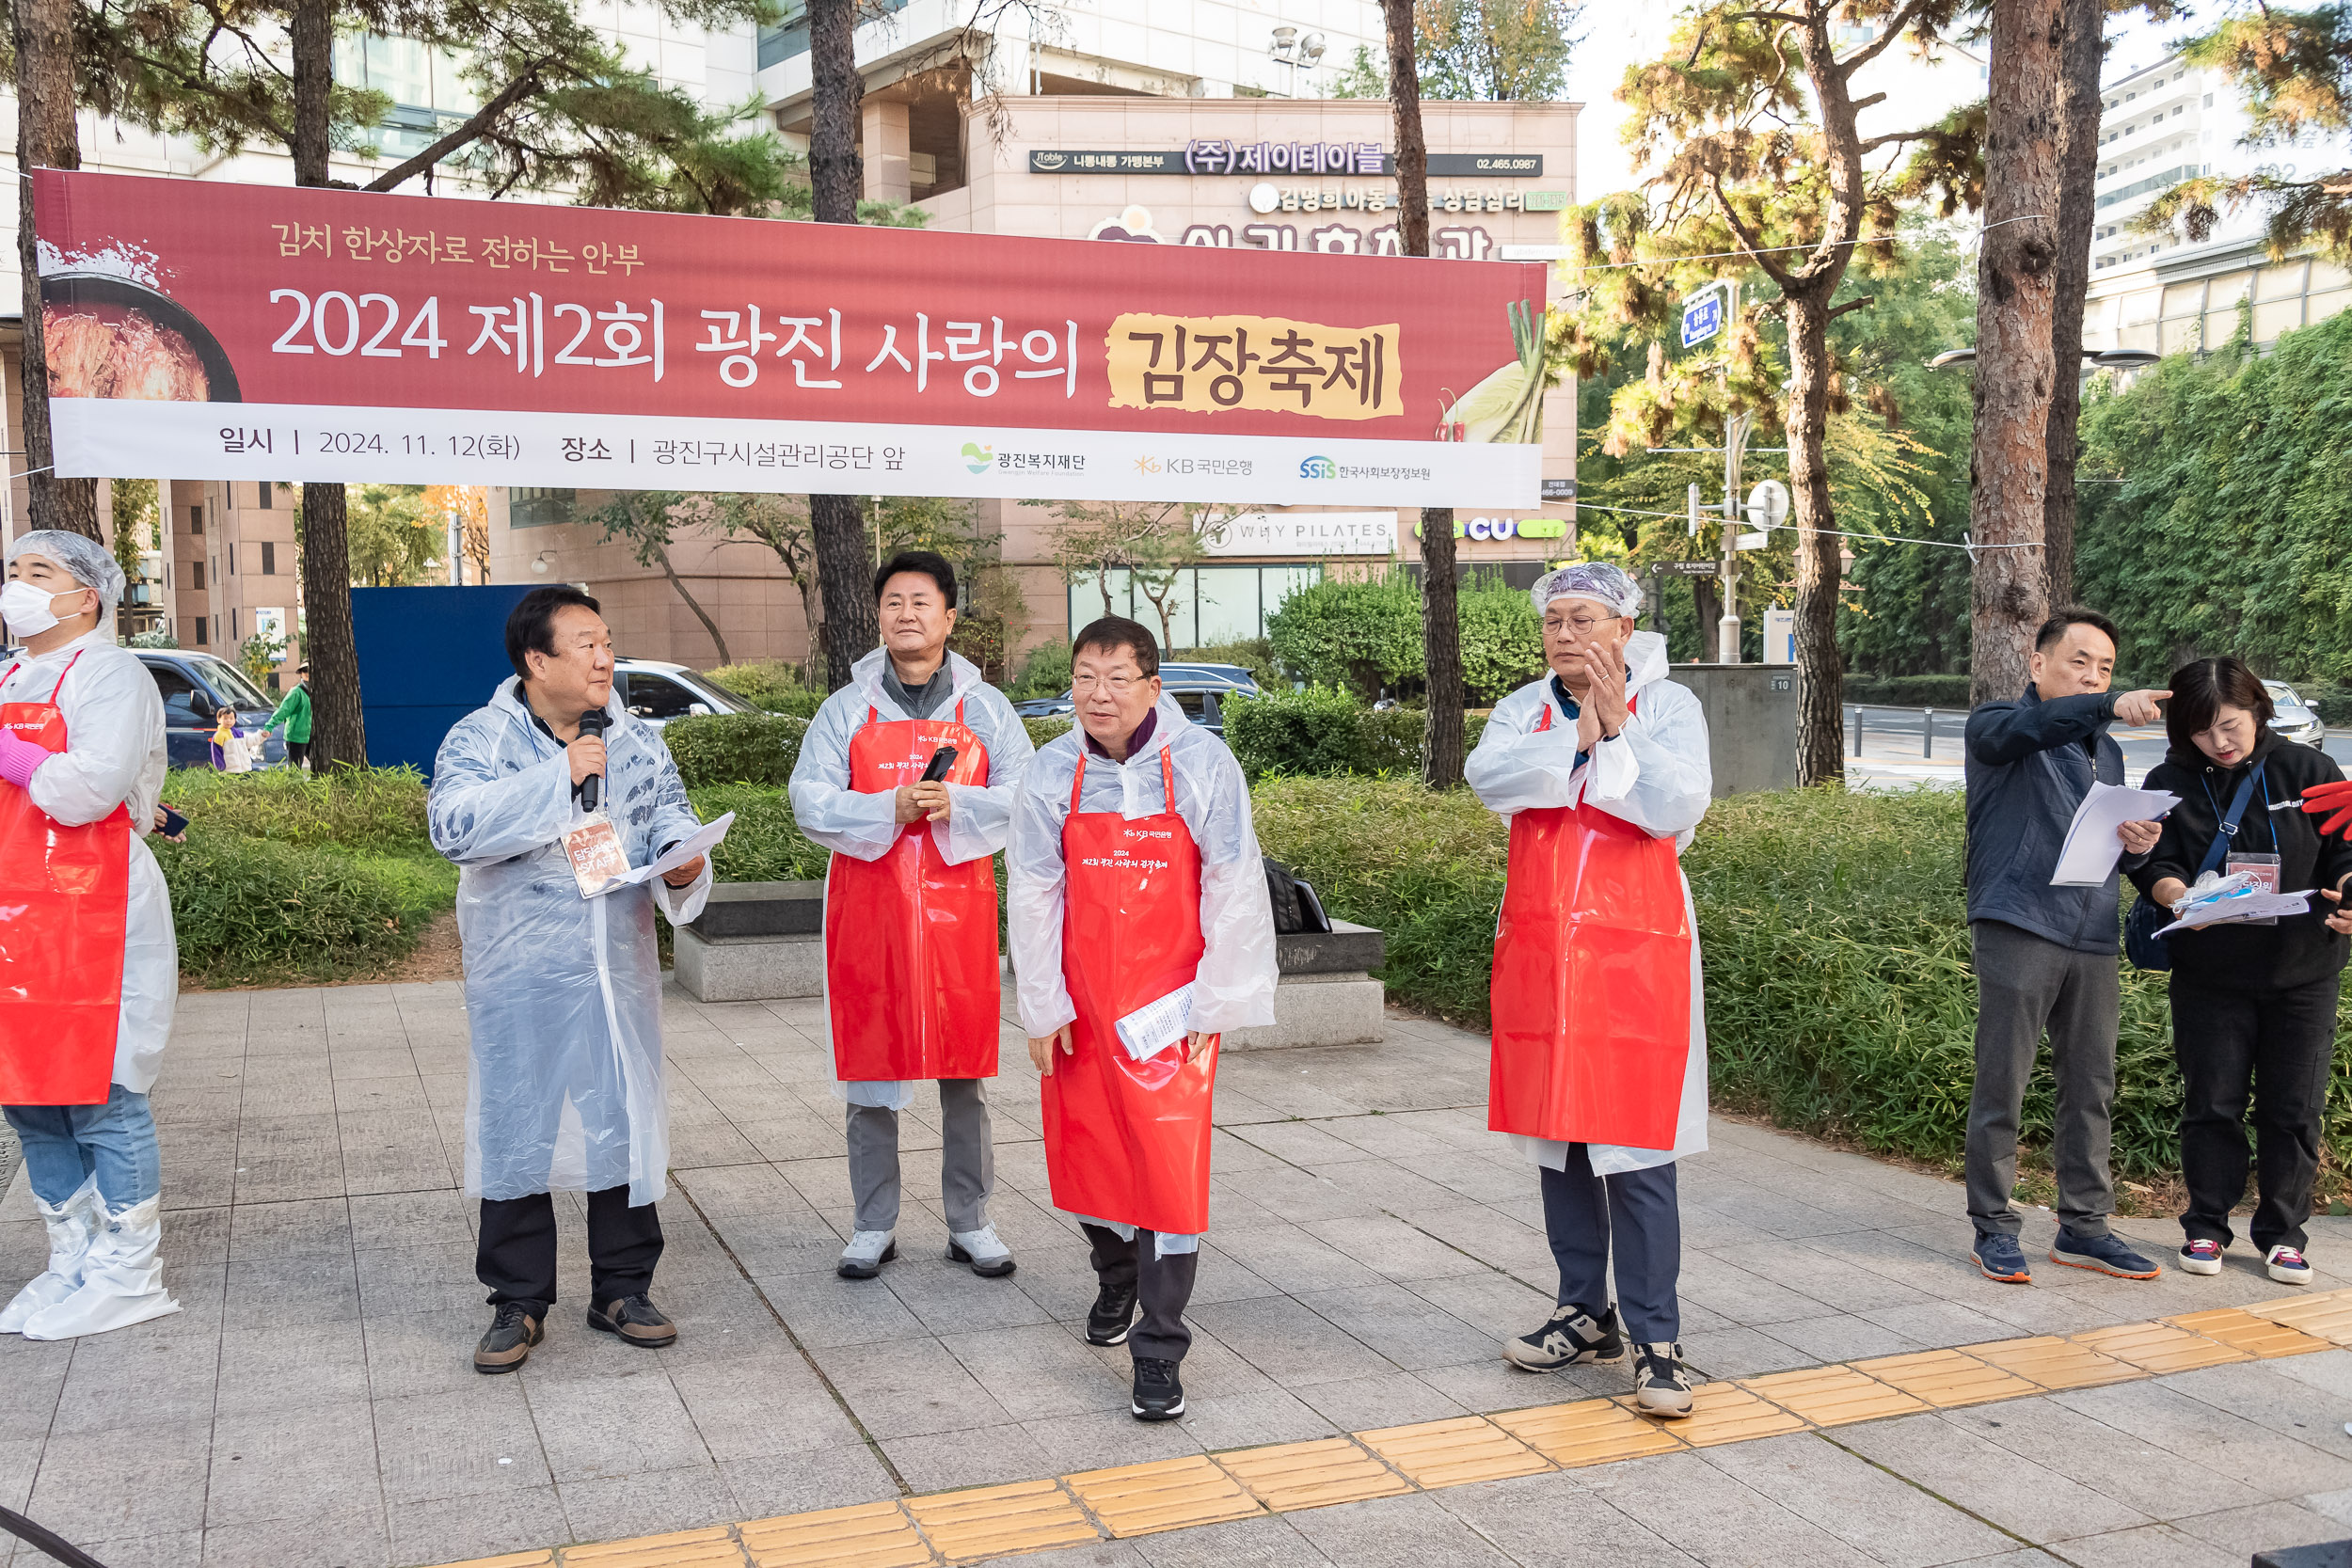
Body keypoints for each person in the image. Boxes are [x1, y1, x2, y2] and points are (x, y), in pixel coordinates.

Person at [427, 586, 712, 1373]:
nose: (603, 656)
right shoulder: (479, 737)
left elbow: (669, 817)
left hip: (614, 970)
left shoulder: (639, 741)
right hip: (519, 971)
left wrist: (686, 858)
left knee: (621, 1113)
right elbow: (452, 826)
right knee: (517, 1123)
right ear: (536, 659)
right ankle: (517, 1299)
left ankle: (623, 1286)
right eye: (584, 643)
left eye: (607, 640)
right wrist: (561, 776)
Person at [1009, 616, 1276, 1421]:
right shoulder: (1051, 772)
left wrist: (1216, 998)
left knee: (1167, 1172)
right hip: (1084, 1004)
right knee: (1087, 1153)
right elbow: (1032, 887)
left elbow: (1232, 879)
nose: (1098, 693)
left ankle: (1160, 1345)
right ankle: (1116, 1269)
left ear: (1153, 687)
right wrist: (1042, 1002)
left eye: (1117, 677)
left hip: (1172, 1009)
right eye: (1084, 676)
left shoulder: (1200, 766)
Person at [1465, 562, 1711, 1418]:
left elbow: (1676, 802)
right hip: (1542, 952)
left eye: (1585, 618)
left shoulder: (1670, 705)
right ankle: (1583, 1308)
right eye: (1555, 619)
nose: (1566, 634)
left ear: (1626, 624)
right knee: (1558, 1140)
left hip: (1636, 956)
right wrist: (1577, 734)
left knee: (1636, 1146)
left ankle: (1657, 1337)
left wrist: (1616, 733)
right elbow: (1489, 778)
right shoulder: (1526, 707)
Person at [787, 550, 1036, 1279]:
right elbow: (809, 798)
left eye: (921, 601)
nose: (907, 613)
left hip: (958, 912)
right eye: (893, 600)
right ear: (879, 615)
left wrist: (958, 802)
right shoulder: (847, 709)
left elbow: (1027, 795)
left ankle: (972, 1219)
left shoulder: (986, 709)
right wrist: (883, 807)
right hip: (870, 910)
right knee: (870, 1068)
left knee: (964, 1069)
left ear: (950, 616)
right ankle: (873, 1223)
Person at [0, 530, 182, 1340]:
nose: (18, 586)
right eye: (12, 572)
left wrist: (10, 755)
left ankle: (128, 1270)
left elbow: (83, 793)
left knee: (101, 1092)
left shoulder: (112, 674)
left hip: (90, 904)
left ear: (88, 596)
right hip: (15, 911)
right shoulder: (11, 674)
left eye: (38, 572)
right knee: (28, 1095)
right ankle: (71, 1256)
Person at [1962, 609, 2172, 1284]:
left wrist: (2141, 844)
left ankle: (2084, 1226)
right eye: (2080, 661)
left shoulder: (2104, 751)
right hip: (2020, 921)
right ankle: (1994, 1228)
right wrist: (2105, 703)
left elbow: (2106, 840)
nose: (2094, 675)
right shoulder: (1997, 723)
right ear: (2036, 663)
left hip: (2093, 933)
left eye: (2106, 667)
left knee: (2091, 1086)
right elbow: (2037, 726)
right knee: (2004, 1082)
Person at [2128, 657, 2352, 1285]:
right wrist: (2177, 898)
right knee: (2212, 1103)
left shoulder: (2309, 770)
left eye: (2230, 725)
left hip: (2303, 970)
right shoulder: (2170, 777)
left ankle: (2283, 1233)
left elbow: (2345, 848)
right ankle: (2206, 1225)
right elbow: (2150, 860)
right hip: (2210, 973)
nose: (2220, 742)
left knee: (2294, 1107)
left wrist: (2348, 892)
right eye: (2202, 732)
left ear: (2257, 710)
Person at [267, 662, 313, 769]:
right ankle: (293, 786)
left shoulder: (317, 691)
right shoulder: (296, 692)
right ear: (301, 674)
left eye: (309, 670)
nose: (307, 673)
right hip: (296, 736)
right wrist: (270, 725)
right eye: (304, 671)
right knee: (295, 768)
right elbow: (284, 710)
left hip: (311, 735)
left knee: (320, 764)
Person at [210, 704, 253, 773]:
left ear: (235, 720)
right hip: (229, 771)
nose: (228, 721)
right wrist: (221, 767)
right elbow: (216, 753)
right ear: (218, 719)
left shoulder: (239, 733)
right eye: (225, 718)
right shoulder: (219, 735)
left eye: (231, 718)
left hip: (244, 769)